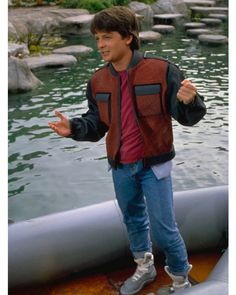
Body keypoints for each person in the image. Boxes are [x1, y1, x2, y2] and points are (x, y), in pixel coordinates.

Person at [48, 6, 206, 295]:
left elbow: (187, 118)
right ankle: (144, 269)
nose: (101, 45)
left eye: (107, 37)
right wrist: (74, 127)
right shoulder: (97, 80)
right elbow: (96, 123)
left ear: (129, 38)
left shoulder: (163, 70)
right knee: (132, 220)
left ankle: (181, 281)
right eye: (97, 38)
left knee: (163, 229)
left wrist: (190, 100)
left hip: (154, 166)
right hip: (120, 166)